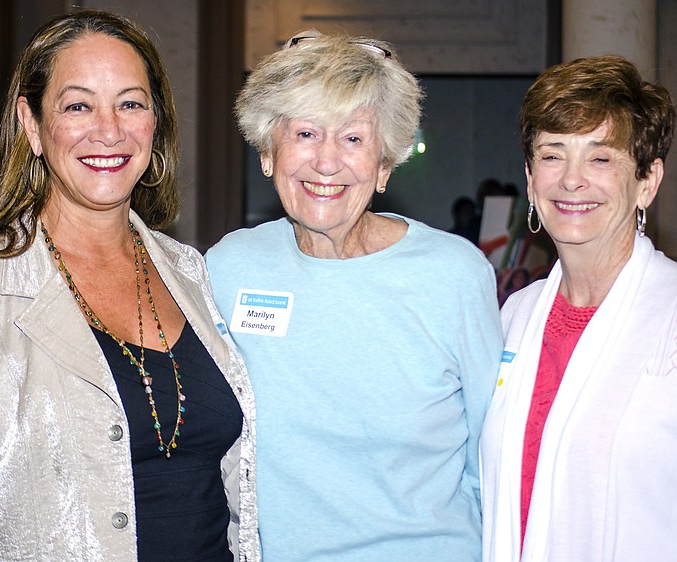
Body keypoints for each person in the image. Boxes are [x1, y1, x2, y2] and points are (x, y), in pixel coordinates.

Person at [0, 10, 259, 561]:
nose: (108, 130)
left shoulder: (190, 272)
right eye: (78, 105)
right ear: (33, 125)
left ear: (154, 123)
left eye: (130, 103)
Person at [205, 31, 502, 561]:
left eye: (353, 139)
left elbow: (493, 453)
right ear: (268, 152)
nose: (326, 161)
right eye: (305, 132)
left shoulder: (454, 276)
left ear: (384, 166)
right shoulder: (228, 268)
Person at [480, 54, 677, 561]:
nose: (572, 180)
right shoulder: (515, 316)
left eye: (601, 158)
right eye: (553, 155)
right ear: (530, 181)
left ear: (647, 181)